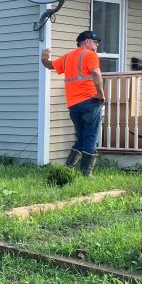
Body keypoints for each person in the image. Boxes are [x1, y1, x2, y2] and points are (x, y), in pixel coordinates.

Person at [41, 30, 106, 176]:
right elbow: (96, 73)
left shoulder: (68, 57)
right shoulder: (90, 55)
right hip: (90, 101)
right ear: (87, 42)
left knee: (81, 137)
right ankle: (86, 174)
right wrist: (101, 94)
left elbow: (49, 65)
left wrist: (44, 56)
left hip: (74, 105)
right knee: (90, 137)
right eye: (95, 42)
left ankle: (66, 170)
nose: (97, 44)